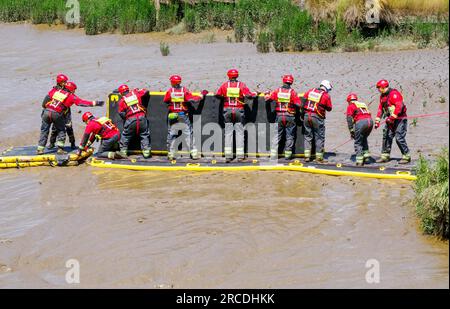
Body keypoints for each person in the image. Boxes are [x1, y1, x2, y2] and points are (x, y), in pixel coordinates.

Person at [37, 81, 103, 155]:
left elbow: (47, 97)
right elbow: (81, 102)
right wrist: (95, 103)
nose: (74, 91)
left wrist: (44, 107)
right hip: (56, 113)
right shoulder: (71, 96)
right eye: (74, 90)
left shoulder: (57, 91)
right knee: (61, 130)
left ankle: (40, 149)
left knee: (44, 131)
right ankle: (60, 149)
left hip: (46, 112)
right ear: (71, 89)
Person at [215, 69, 257, 162]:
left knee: (228, 133)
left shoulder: (225, 85)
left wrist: (224, 97)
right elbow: (249, 96)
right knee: (239, 133)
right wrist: (255, 94)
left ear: (228, 76)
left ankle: (228, 156)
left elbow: (217, 95)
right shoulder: (241, 85)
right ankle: (240, 156)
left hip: (227, 110)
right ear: (237, 76)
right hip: (239, 110)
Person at [163, 75, 206, 160]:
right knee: (188, 134)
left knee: (172, 134)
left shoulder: (170, 91)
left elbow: (166, 101)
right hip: (183, 115)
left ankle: (171, 154)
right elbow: (193, 100)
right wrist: (202, 95)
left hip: (172, 115)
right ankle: (193, 154)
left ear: (172, 82)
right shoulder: (184, 90)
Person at [265, 75, 301, 160]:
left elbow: (268, 99)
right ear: (291, 82)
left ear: (283, 81)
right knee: (290, 136)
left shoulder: (277, 91)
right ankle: (288, 156)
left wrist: (267, 94)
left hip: (279, 116)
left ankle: (273, 155)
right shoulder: (293, 92)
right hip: (290, 116)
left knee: (277, 135)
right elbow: (298, 104)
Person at [374, 79, 411, 164]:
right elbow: (381, 108)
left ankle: (406, 156)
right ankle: (385, 156)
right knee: (386, 136)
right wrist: (377, 121)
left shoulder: (394, 94)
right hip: (390, 120)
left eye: (379, 88)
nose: (378, 90)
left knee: (399, 137)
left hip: (400, 119)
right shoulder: (382, 96)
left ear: (383, 87)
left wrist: (393, 117)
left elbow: (399, 106)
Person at [117, 84, 152, 159]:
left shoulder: (122, 100)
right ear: (128, 90)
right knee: (144, 134)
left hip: (131, 119)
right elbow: (146, 91)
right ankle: (146, 153)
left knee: (126, 136)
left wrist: (127, 119)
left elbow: (121, 113)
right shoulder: (135, 92)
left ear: (121, 93)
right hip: (142, 117)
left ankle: (123, 152)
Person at [302, 80, 333, 162]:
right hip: (317, 117)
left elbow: (303, 100)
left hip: (306, 116)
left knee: (307, 136)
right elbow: (329, 108)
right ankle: (319, 157)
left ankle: (307, 156)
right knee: (319, 137)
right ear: (327, 88)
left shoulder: (310, 91)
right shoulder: (326, 95)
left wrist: (302, 113)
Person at [48, 74, 76, 149]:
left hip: (66, 110)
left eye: (66, 82)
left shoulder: (67, 88)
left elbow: (72, 96)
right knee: (54, 128)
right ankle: (52, 143)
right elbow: (49, 98)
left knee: (69, 127)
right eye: (64, 82)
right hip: (57, 111)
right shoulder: (55, 89)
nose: (66, 83)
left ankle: (72, 143)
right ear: (59, 82)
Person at [346, 93, 374, 166]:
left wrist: (351, 130)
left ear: (349, 101)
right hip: (370, 122)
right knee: (364, 138)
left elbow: (349, 118)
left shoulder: (351, 106)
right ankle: (367, 157)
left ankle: (359, 161)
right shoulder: (363, 104)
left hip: (361, 122)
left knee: (358, 142)